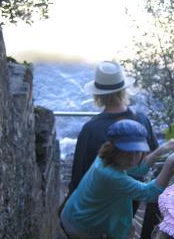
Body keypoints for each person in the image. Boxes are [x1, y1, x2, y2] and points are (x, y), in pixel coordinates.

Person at [68, 60, 160, 195]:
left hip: (99, 199)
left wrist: (70, 198)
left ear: (97, 95)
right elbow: (152, 156)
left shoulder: (91, 129)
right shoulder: (141, 119)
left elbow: (79, 172)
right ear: (124, 90)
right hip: (132, 194)